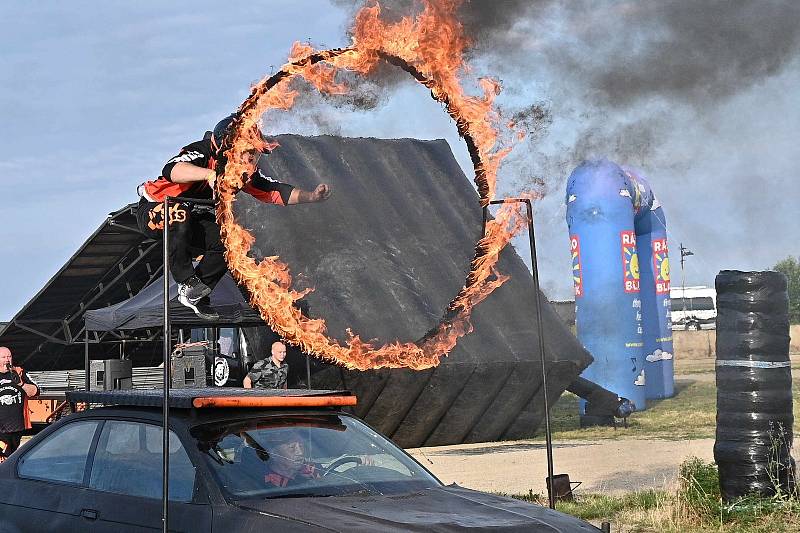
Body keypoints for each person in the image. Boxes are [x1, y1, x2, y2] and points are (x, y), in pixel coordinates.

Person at [136, 114, 331, 320]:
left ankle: (196, 294)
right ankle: (186, 279)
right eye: (247, 152)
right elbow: (171, 170)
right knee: (179, 212)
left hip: (192, 220)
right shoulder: (202, 151)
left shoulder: (243, 173)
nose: (251, 159)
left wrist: (311, 196)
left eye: (255, 154)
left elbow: (273, 191)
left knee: (230, 242)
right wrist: (208, 174)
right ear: (226, 147)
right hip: (156, 209)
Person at [0, 347, 39, 461]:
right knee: (4, 457)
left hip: (17, 428)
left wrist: (21, 383)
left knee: (12, 458)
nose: (7, 360)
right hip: (1, 429)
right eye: (3, 357)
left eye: (9, 356)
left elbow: (35, 392)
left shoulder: (19, 372)